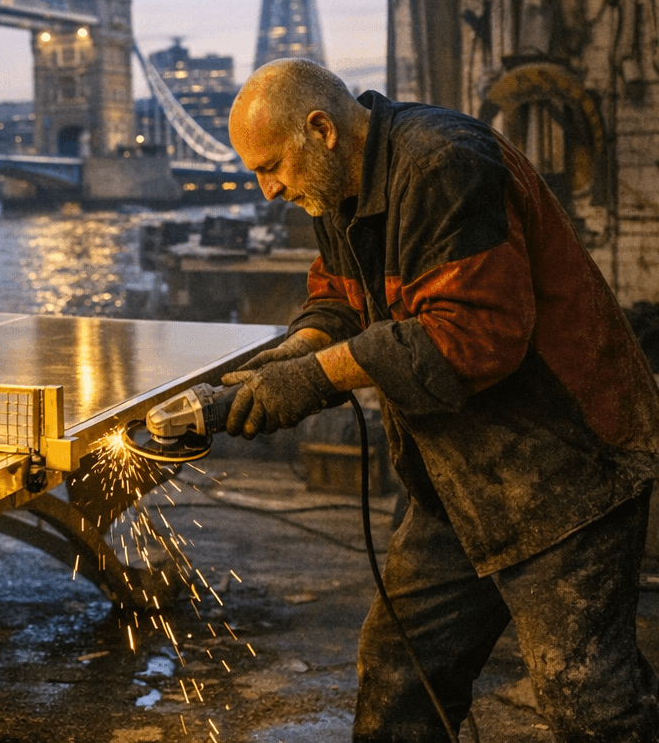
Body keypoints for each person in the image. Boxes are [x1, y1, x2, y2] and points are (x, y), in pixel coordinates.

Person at [222, 59, 659, 740]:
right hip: (461, 475)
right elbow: (340, 295)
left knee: (588, 699)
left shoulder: (445, 165)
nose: (269, 189)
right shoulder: (336, 188)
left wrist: (313, 379)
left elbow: (475, 336)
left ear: (321, 130)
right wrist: (293, 352)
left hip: (567, 465)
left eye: (271, 166)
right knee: (402, 677)